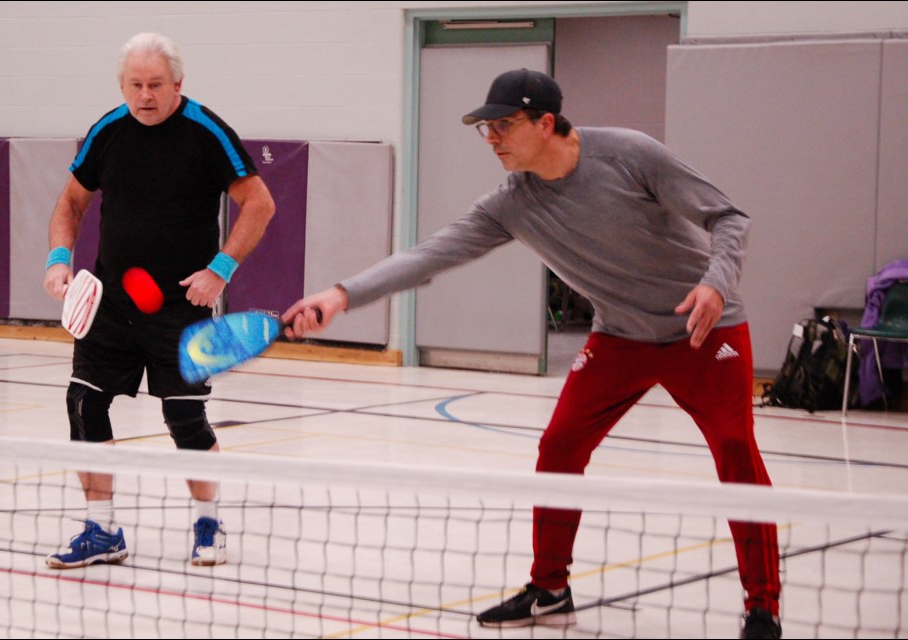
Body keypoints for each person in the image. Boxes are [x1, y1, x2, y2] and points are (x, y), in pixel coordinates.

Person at [283, 69, 782, 639]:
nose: (492, 137)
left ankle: (762, 605)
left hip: (702, 328)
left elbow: (729, 217)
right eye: (485, 128)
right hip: (620, 336)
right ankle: (549, 588)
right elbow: (431, 255)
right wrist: (342, 295)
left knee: (738, 450)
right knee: (560, 445)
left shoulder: (628, 154)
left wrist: (716, 283)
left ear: (546, 123)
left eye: (503, 125)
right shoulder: (510, 204)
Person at [42, 32, 275, 569]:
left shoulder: (206, 131)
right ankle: (101, 532)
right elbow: (72, 201)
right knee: (83, 403)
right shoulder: (108, 130)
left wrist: (220, 270)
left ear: (178, 84)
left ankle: (209, 522)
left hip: (179, 309)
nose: (145, 96)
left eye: (155, 85)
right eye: (135, 85)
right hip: (110, 302)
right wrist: (60, 259)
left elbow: (259, 203)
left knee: (184, 419)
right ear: (122, 85)